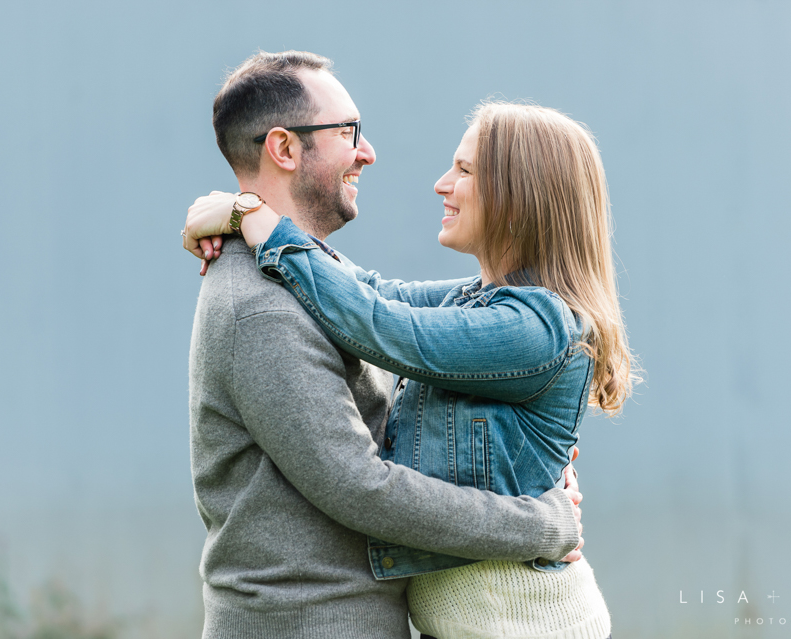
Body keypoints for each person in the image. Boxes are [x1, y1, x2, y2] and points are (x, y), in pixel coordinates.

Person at [184, 98, 636, 638]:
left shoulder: (534, 327)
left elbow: (381, 326)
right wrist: (242, 213)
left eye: (465, 170)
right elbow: (371, 292)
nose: (442, 184)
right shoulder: (481, 300)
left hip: (523, 618)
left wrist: (266, 227)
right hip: (485, 617)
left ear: (522, 194)